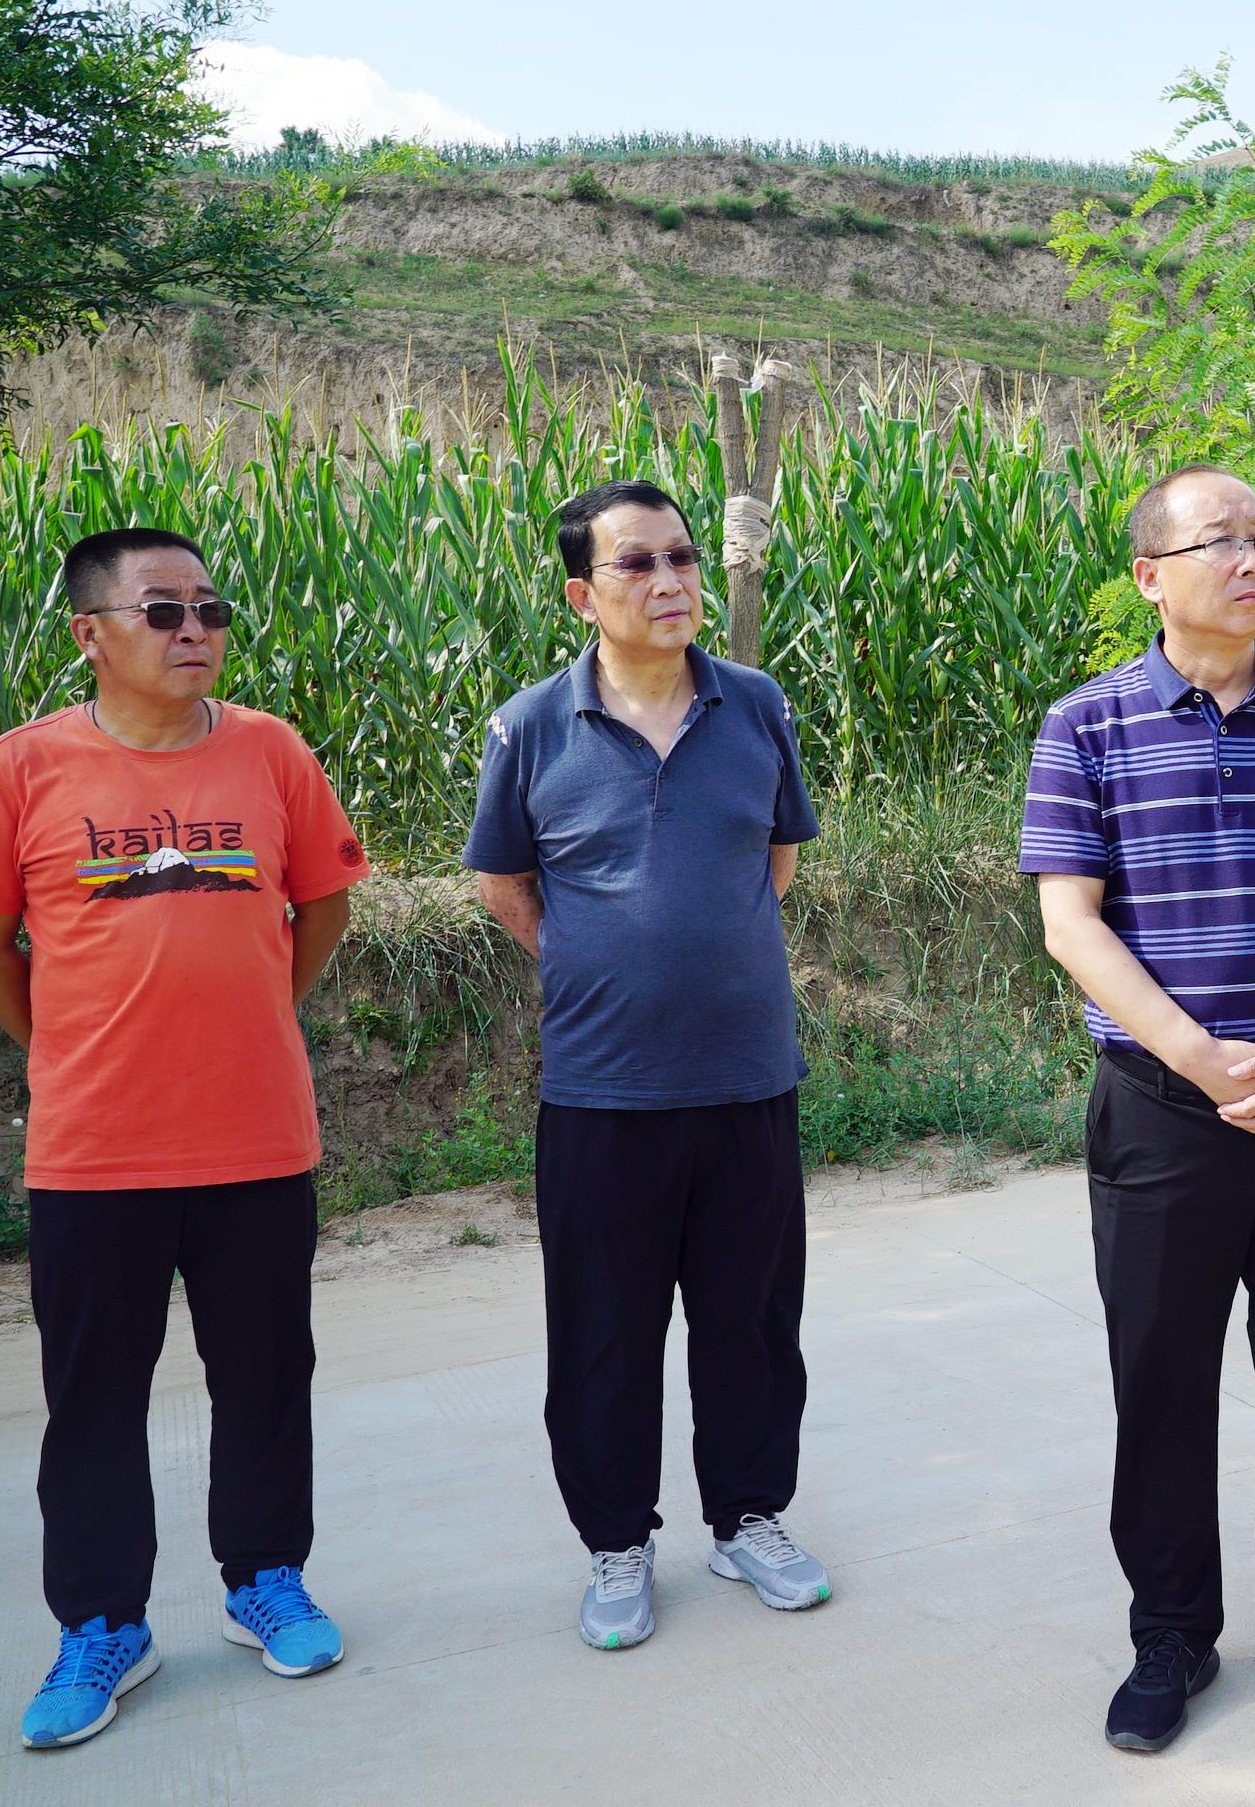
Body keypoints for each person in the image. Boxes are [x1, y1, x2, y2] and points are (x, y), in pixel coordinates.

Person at [0, 527, 371, 1749]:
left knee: (268, 1380)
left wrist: (258, 1011)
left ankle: (263, 1581)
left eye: (211, 612)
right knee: (94, 1401)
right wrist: (64, 1045)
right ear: (90, 634)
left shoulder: (272, 754)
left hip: (257, 1141)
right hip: (94, 1152)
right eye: (163, 612)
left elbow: (321, 904)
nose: (195, 633)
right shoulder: (22, 771)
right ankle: (103, 1626)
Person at [1022, 465, 1255, 1753]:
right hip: (1158, 1110)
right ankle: (1169, 1636)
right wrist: (1195, 1055)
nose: (1250, 559)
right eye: (1218, 541)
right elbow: (1067, 920)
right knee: (1162, 1381)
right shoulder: (1086, 726)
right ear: (1151, 574)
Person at [465, 479, 829, 1652]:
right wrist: (601, 957)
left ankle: (748, 1519)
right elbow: (506, 888)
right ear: (583, 593)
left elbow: (773, 859)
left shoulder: (756, 704)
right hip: (600, 1091)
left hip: (746, 1079)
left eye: (682, 558)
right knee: (605, 1333)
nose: (672, 581)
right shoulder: (530, 726)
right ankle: (616, 1543)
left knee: (752, 1322)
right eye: (639, 565)